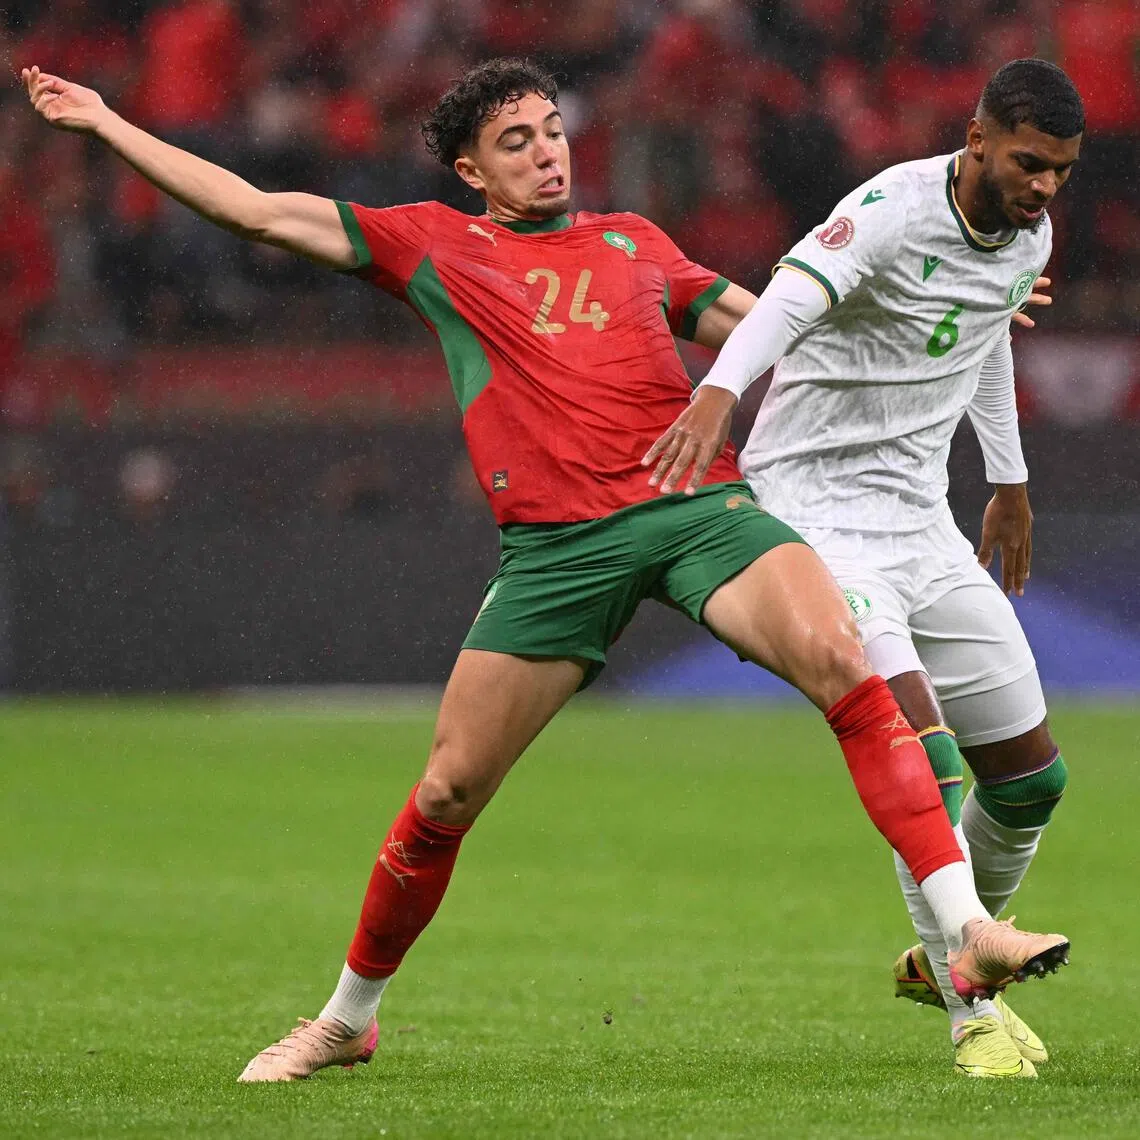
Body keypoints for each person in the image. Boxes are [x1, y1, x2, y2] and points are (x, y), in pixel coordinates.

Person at [22, 57, 1070, 1084]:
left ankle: (966, 934)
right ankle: (347, 1019)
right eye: (516, 142)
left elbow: (784, 325)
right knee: (447, 791)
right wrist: (109, 124)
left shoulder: (634, 243)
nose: (546, 154)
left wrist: (953, 311)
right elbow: (254, 211)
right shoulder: (433, 244)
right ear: (471, 170)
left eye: (554, 132)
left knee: (847, 665)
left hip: (697, 512)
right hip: (560, 550)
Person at [645, 58, 1083, 1079]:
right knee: (921, 754)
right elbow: (790, 299)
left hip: (919, 520)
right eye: (1029, 163)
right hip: (813, 517)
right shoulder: (889, 208)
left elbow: (982, 338)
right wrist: (719, 390)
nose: (1045, 187)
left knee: (1032, 781)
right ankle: (971, 1006)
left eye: (1062, 171)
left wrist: (1008, 480)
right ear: (978, 141)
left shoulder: (1029, 237)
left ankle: (949, 952)